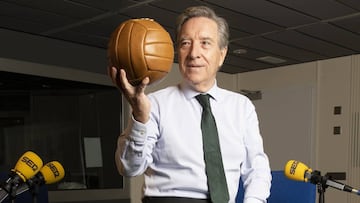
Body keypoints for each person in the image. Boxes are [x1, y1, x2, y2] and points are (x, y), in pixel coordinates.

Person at [109, 5, 272, 203]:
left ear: (222, 54)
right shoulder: (154, 104)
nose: (194, 53)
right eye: (186, 43)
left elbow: (257, 168)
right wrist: (140, 117)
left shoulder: (242, 107)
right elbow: (129, 168)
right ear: (178, 51)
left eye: (205, 43)